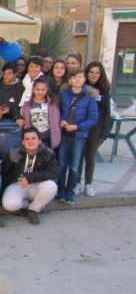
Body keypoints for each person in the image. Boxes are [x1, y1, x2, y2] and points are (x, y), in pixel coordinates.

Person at [57, 67, 99, 204]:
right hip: (64, 134)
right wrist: (62, 120)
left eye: (80, 77)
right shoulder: (63, 94)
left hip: (79, 135)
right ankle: (61, 190)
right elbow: (58, 111)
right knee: (62, 163)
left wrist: (78, 126)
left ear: (84, 80)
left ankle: (70, 191)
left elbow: (93, 118)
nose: (77, 80)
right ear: (69, 80)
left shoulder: (89, 97)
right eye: (74, 77)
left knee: (74, 165)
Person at [2, 128, 59, 225]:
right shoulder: (13, 154)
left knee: (51, 186)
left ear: (39, 140)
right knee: (9, 205)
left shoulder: (48, 153)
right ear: (23, 142)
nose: (30, 141)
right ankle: (26, 206)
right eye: (27, 139)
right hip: (18, 185)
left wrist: (30, 177)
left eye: (33, 138)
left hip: (37, 185)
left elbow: (54, 173)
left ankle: (33, 210)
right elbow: (4, 172)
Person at [81, 62, 113, 197]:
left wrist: (105, 132)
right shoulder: (81, 87)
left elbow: (106, 112)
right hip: (81, 126)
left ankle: (88, 184)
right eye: (91, 72)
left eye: (97, 72)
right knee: (79, 155)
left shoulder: (104, 90)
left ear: (101, 74)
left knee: (90, 156)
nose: (94, 75)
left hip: (96, 128)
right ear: (86, 73)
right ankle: (76, 182)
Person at [17, 78, 61, 149]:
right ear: (33, 89)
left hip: (49, 137)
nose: (40, 92)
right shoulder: (27, 105)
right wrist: (21, 119)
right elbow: (24, 118)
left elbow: (57, 118)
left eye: (43, 90)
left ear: (47, 90)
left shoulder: (53, 104)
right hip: (33, 139)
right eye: (37, 89)